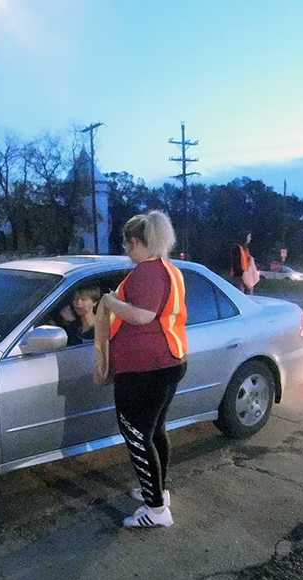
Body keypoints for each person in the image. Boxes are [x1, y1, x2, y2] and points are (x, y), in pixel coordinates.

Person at [98, 210, 188, 529]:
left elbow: (142, 316)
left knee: (135, 433)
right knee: (154, 431)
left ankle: (157, 510)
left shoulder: (147, 272)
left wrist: (109, 302)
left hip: (146, 369)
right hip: (167, 361)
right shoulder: (170, 269)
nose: (127, 251)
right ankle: (158, 491)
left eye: (127, 245)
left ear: (137, 241)